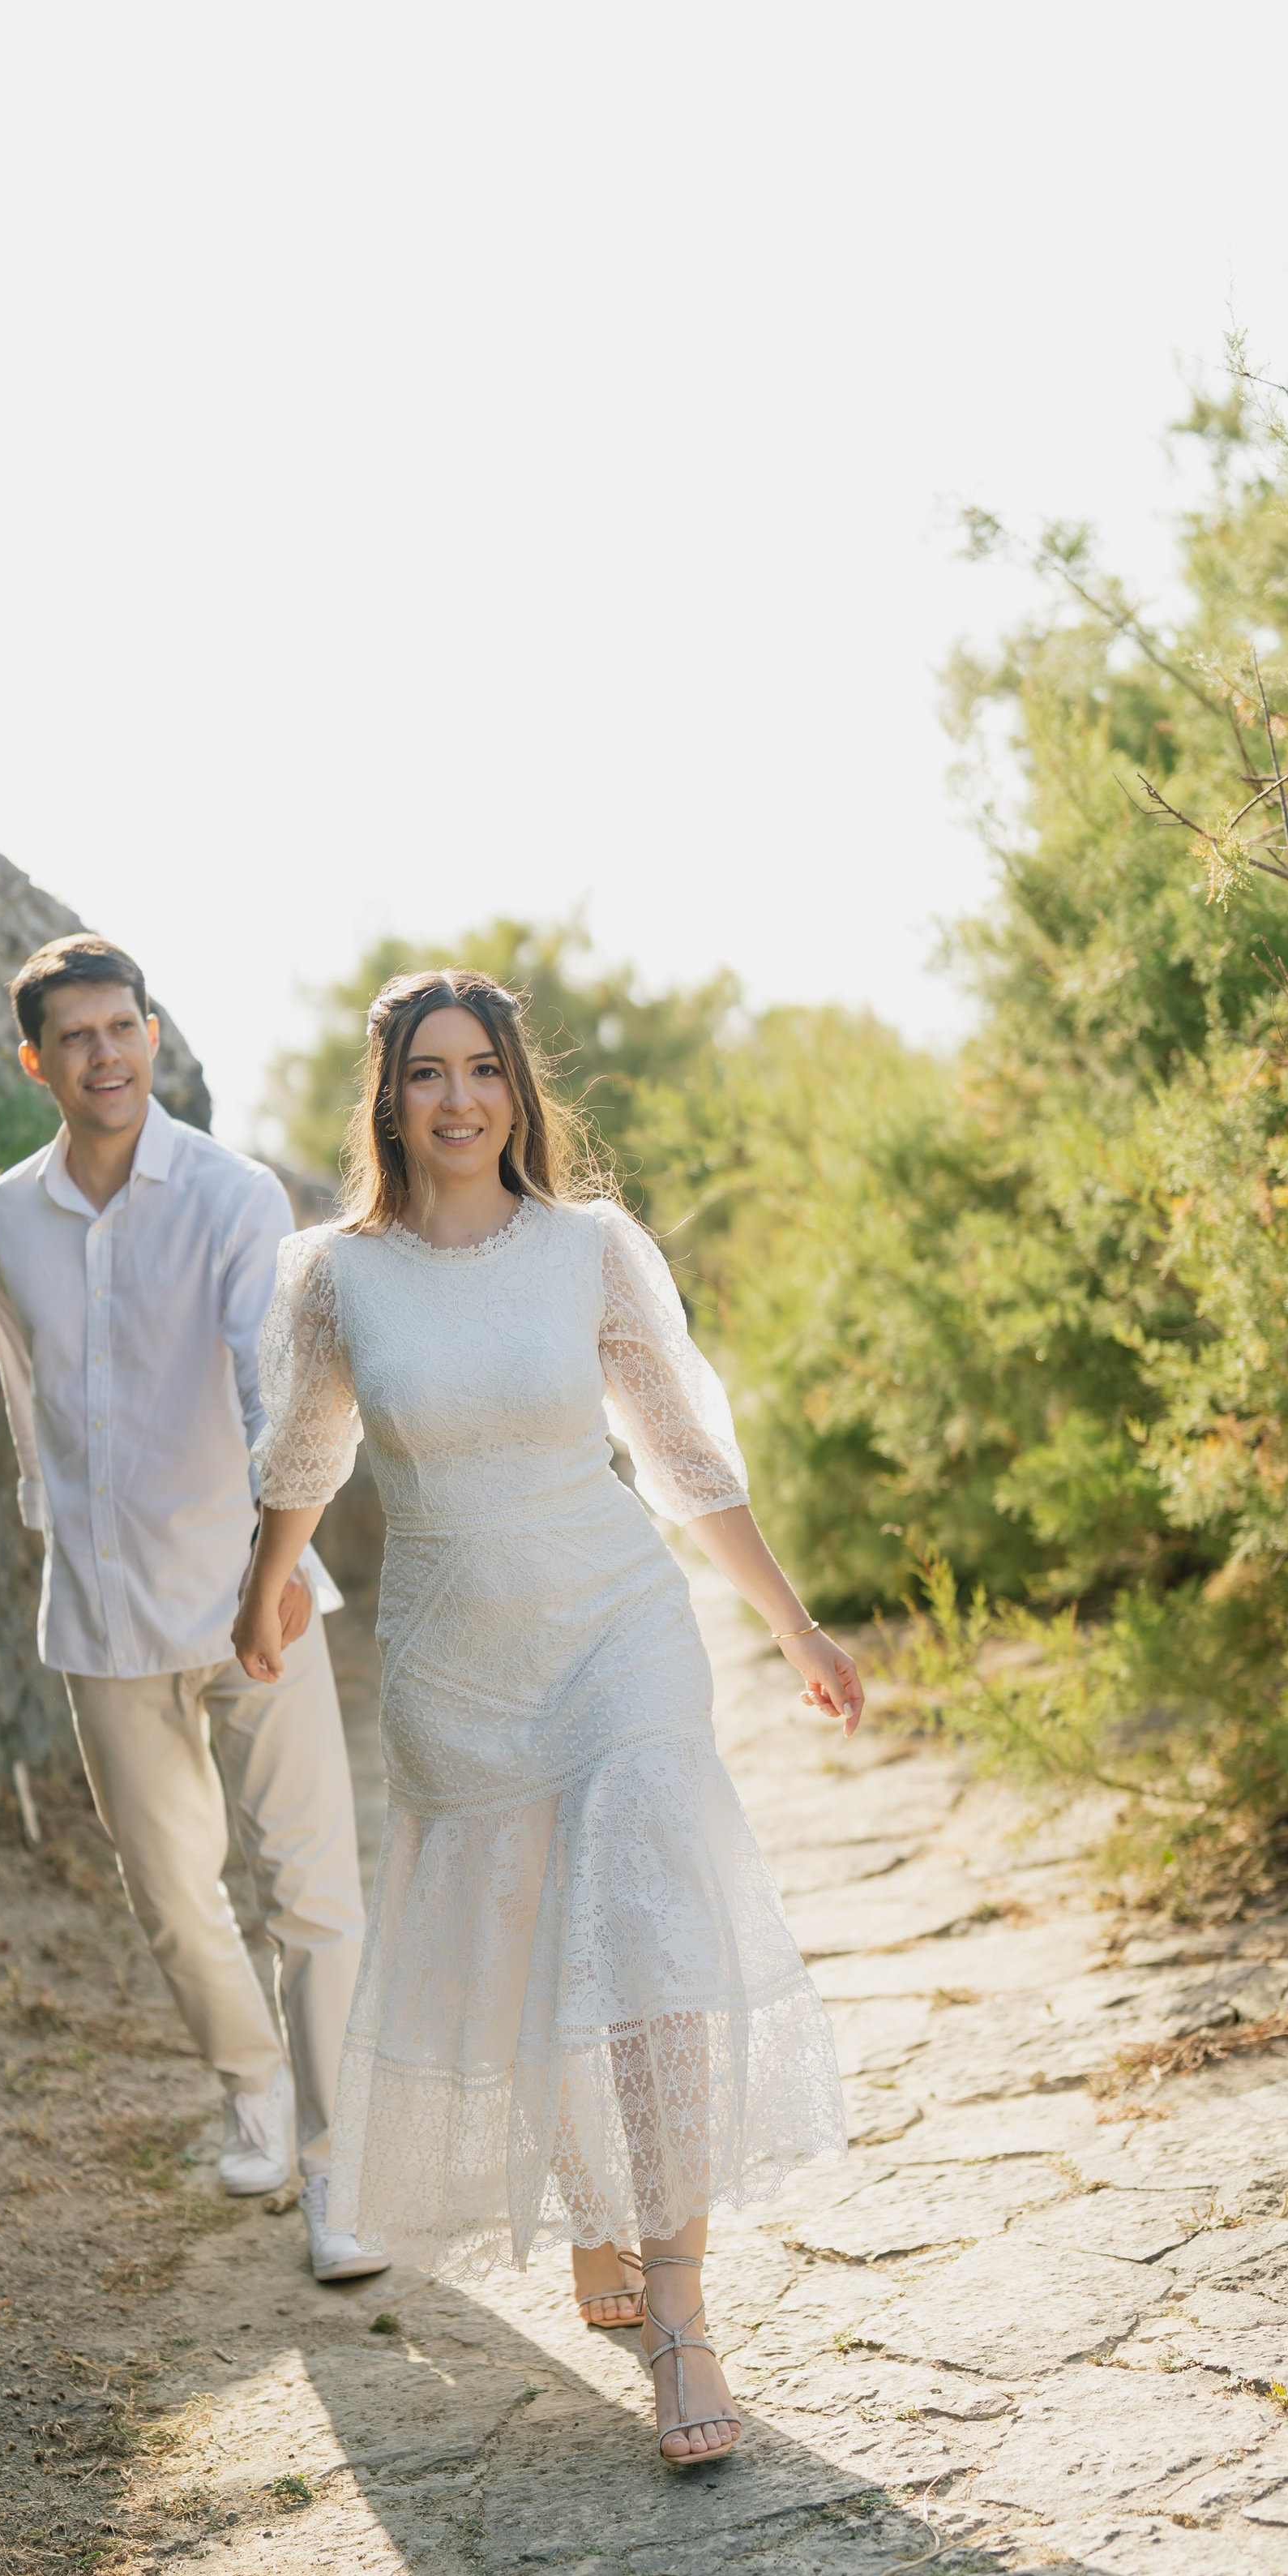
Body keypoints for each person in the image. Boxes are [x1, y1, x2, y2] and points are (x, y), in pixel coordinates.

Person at [233, 967, 853, 2465]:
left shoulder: (589, 1249)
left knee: (645, 1946)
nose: (459, 1098)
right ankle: (598, 2214)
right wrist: (265, 1585)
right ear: (388, 1098)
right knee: (522, 1952)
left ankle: (685, 2317)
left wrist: (789, 1620)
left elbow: (682, 1448)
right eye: (428, 1073)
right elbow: (306, 1444)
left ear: (519, 1089)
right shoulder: (336, 1276)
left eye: (484, 1069)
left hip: (617, 1632)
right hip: (457, 1664)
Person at [0, 933, 386, 2285]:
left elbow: (276, 1394)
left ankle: (339, 2179)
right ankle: (252, 2084)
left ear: (152, 1035)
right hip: (97, 1611)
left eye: (124, 1027)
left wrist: (271, 1582)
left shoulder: (230, 1193)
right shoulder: (2, 1219)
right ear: (37, 1061)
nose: (106, 1054)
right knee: (168, 1892)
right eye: (76, 1037)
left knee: (313, 1889)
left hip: (245, 1594)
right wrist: (56, 1537)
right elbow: (28, 1406)